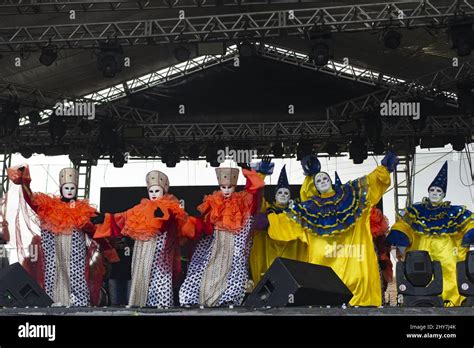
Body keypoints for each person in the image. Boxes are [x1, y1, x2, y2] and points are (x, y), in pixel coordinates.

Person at [267, 152, 397, 306]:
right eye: (318, 180)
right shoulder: (310, 210)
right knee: (328, 300)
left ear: (330, 182)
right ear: (315, 186)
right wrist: (265, 220)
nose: (322, 181)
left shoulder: (353, 197)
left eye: (325, 178)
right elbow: (288, 222)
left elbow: (369, 185)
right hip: (325, 272)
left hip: (356, 265)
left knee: (359, 298)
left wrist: (383, 170)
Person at [7, 165, 115, 306]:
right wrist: (24, 182)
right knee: (53, 274)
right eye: (66, 188)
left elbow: (95, 232)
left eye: (72, 188)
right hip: (54, 250)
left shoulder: (83, 211)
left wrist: (109, 250)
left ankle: (79, 303)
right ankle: (56, 301)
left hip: (75, 252)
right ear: (61, 189)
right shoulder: (49, 207)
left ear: (76, 189)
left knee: (76, 275)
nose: (69, 191)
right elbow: (31, 200)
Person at [95, 170, 196, 307]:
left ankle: (162, 306)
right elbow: (122, 218)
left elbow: (183, 225)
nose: (154, 194)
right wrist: (105, 218)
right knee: (143, 278)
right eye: (151, 191)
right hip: (143, 253)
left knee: (161, 279)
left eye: (157, 191)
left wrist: (167, 216)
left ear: (164, 192)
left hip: (161, 253)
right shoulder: (139, 209)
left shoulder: (171, 208)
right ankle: (142, 306)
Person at [386, 162, 474, 306]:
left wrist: (470, 235)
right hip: (421, 255)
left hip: (447, 254)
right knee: (421, 278)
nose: (434, 193)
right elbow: (403, 225)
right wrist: (401, 240)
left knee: (449, 278)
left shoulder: (455, 212)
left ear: (444, 194)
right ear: (428, 191)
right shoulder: (416, 211)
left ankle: (451, 304)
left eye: (439, 191)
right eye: (432, 190)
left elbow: (470, 223)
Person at [179, 163, 264, 306]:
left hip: (236, 244)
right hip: (217, 245)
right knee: (203, 269)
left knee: (236, 269)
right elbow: (203, 226)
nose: (226, 190)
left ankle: (228, 299)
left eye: (229, 187)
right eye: (223, 187)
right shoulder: (214, 203)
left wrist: (248, 171)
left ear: (234, 186)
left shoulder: (242, 201)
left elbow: (256, 189)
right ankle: (192, 299)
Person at [249, 163, 308, 285]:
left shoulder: (295, 213)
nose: (283, 195)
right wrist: (261, 176)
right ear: (275, 196)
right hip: (269, 254)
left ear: (290, 197)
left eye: (286, 193)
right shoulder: (267, 210)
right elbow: (255, 198)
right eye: (280, 193)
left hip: (291, 254)